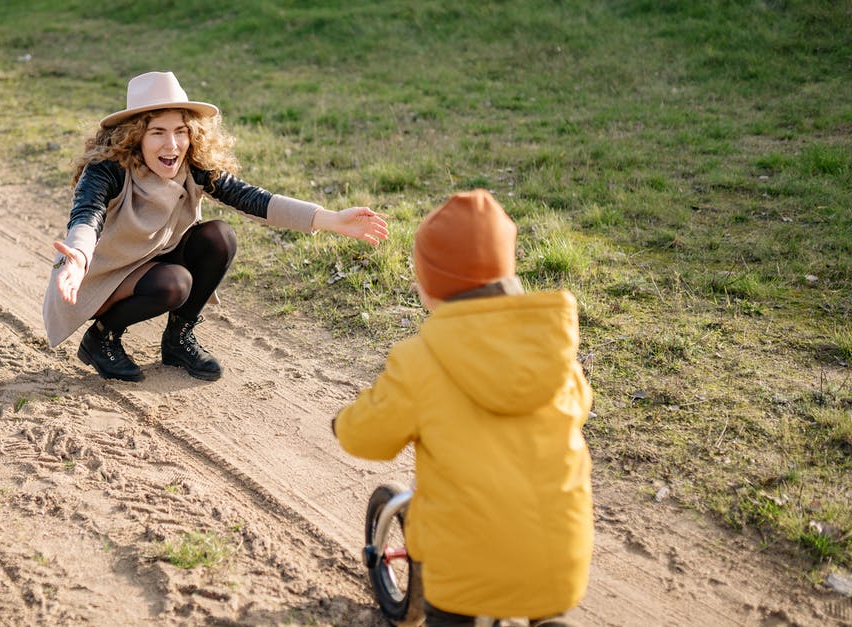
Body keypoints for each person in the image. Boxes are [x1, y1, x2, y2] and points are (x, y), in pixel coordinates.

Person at [333, 190, 593, 626]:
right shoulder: (554, 353)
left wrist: (345, 424)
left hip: (463, 569)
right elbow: (578, 405)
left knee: (454, 604)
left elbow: (368, 437)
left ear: (431, 290)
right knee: (548, 604)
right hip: (559, 557)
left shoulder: (421, 361)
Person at [43, 71, 388, 382]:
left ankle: (179, 339)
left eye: (180, 132)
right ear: (136, 137)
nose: (172, 144)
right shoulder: (108, 169)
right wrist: (77, 255)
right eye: (158, 132)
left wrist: (330, 218)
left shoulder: (191, 166)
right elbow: (88, 215)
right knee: (175, 284)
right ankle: (101, 337)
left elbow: (254, 200)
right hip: (103, 274)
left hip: (152, 259)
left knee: (219, 236)